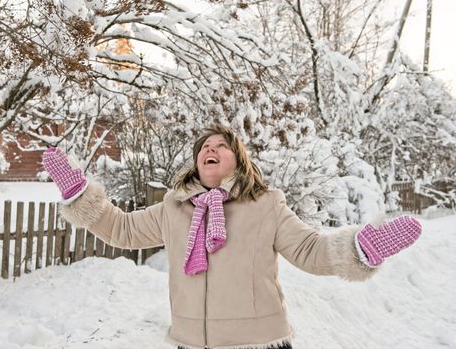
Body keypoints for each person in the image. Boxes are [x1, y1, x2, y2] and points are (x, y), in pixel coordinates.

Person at [42, 124, 422, 349]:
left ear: (238, 160)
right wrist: (80, 195)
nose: (210, 148)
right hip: (191, 343)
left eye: (221, 145)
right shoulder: (173, 208)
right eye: (204, 147)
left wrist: (360, 248)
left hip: (257, 344)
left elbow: (310, 250)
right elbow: (121, 229)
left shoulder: (266, 204)